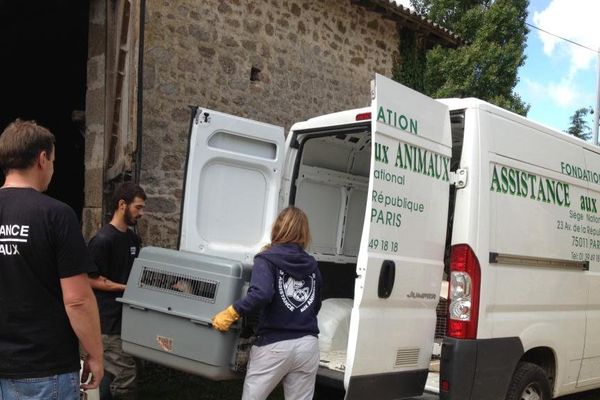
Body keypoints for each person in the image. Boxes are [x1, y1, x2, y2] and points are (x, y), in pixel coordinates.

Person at [0, 119, 103, 399]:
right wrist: (95, 354)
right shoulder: (56, 214)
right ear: (42, 159)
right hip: (44, 368)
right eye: (54, 160)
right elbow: (77, 300)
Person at [212, 206, 322, 400]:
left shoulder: (266, 259)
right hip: (307, 344)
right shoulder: (312, 265)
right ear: (304, 233)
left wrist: (232, 312)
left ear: (278, 228)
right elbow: (315, 304)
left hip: (274, 344)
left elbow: (261, 294)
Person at [87, 182, 146, 400]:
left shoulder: (132, 239)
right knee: (126, 376)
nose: (141, 213)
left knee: (118, 373)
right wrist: (127, 288)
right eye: (138, 207)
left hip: (128, 320)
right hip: (107, 323)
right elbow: (90, 280)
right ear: (122, 205)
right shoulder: (102, 240)